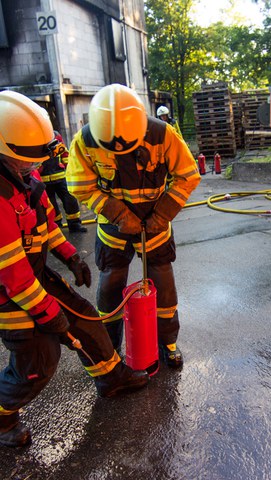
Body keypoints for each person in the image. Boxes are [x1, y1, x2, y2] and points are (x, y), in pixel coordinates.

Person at [0, 91, 149, 448]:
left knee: (85, 318)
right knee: (39, 360)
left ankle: (110, 377)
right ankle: (3, 418)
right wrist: (49, 315)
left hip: (32, 277)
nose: (34, 167)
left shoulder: (25, 184)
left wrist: (71, 256)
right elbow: (13, 274)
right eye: (25, 161)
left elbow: (46, 227)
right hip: (7, 294)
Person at [66, 84, 201, 369]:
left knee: (163, 286)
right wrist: (115, 212)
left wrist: (162, 213)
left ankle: (167, 342)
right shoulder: (85, 139)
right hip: (113, 230)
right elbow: (79, 184)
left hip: (155, 225)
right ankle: (109, 347)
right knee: (111, 284)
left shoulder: (162, 134)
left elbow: (188, 175)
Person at [38, 130, 88, 233]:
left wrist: (69, 169)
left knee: (70, 199)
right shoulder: (34, 139)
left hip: (61, 177)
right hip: (44, 180)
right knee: (50, 205)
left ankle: (74, 224)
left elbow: (64, 154)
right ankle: (57, 226)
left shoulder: (55, 135)